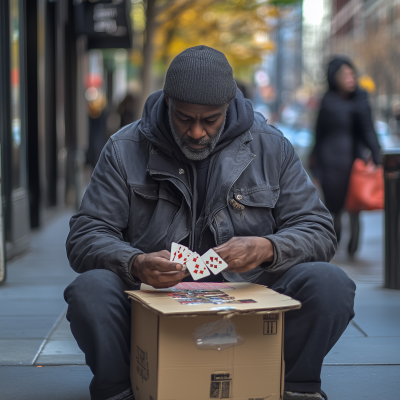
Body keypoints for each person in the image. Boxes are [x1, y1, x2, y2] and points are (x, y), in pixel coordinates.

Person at [64, 46, 355, 400]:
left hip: (248, 303)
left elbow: (318, 229)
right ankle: (122, 390)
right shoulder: (124, 148)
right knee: (90, 290)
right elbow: (86, 235)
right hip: (153, 307)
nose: (198, 132)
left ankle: (293, 387)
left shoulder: (272, 147)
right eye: (185, 119)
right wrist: (135, 263)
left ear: (230, 105)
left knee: (331, 283)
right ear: (168, 102)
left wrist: (267, 248)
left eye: (210, 120)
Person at [310, 56, 381, 257]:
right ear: (334, 78)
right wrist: (314, 164)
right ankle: (335, 240)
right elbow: (319, 134)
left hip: (353, 161)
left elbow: (369, 131)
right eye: (345, 75)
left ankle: (353, 248)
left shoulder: (361, 99)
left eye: (352, 74)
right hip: (329, 161)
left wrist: (377, 156)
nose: (351, 78)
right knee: (334, 208)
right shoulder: (327, 101)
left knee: (355, 206)